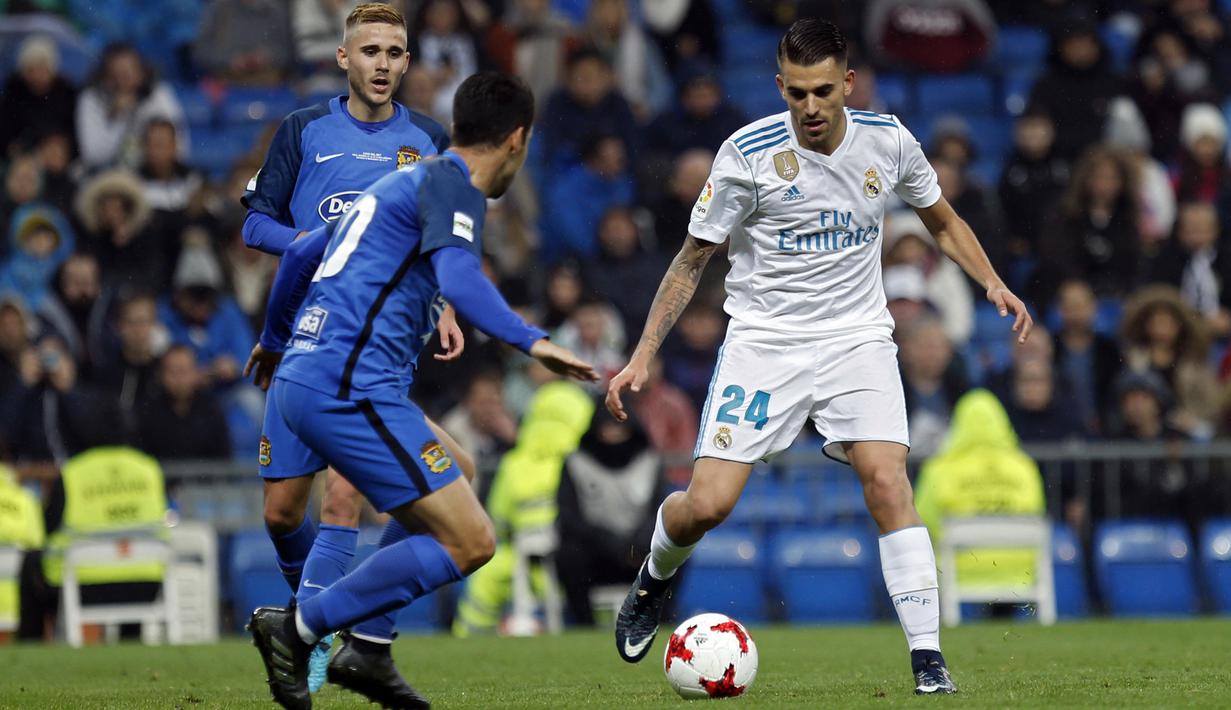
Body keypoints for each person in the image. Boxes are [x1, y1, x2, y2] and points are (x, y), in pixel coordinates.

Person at [603, 19, 1032, 696]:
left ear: (847, 84)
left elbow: (941, 219)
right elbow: (691, 261)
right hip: (763, 345)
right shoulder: (746, 154)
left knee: (887, 482)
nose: (809, 106)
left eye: (822, 91)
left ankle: (927, 659)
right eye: (796, 92)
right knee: (707, 506)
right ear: (779, 86)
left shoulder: (888, 143)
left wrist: (991, 281)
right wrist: (641, 355)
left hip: (856, 338)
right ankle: (654, 576)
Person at [243, 72, 598, 710]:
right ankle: (297, 629)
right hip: (348, 387)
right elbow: (460, 276)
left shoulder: (398, 183)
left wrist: (272, 340)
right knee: (472, 541)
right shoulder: (454, 184)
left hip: (308, 373)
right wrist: (531, 340)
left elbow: (299, 257)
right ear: (518, 139)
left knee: (456, 469)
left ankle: (370, 651)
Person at [239, 3, 456, 693]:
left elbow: (437, 237)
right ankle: (309, 619)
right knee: (280, 513)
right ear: (343, 59)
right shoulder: (304, 130)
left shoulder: (427, 137)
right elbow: (255, 228)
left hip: (375, 342)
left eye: (396, 52)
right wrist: (312, 242)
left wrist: (444, 301)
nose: (384, 64)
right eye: (371, 51)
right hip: (297, 334)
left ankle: (314, 643)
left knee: (345, 501)